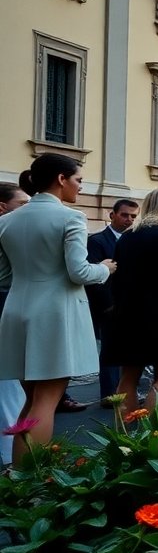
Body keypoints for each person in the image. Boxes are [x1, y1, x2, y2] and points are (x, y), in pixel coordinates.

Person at [0, 154, 115, 467]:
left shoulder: (7, 220)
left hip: (17, 309)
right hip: (54, 314)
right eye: (78, 179)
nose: (80, 186)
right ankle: (31, 479)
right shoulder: (70, 218)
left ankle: (18, 477)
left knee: (31, 400)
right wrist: (105, 269)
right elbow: (79, 272)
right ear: (62, 179)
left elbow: (4, 275)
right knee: (46, 401)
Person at [102, 189, 158, 416]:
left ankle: (123, 438)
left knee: (129, 374)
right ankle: (150, 433)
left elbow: (118, 274)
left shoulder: (128, 236)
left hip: (128, 310)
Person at [86, 198, 139, 411]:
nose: (129, 220)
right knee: (109, 350)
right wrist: (108, 305)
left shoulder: (135, 239)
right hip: (107, 305)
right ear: (112, 215)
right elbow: (93, 276)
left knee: (127, 349)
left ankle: (125, 392)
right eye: (125, 215)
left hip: (130, 303)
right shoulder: (97, 240)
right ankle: (109, 395)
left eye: (133, 216)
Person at [0, 182, 33, 466]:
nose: (28, 209)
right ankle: (12, 459)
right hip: (5, 305)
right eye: (23, 204)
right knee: (9, 386)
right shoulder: (9, 231)